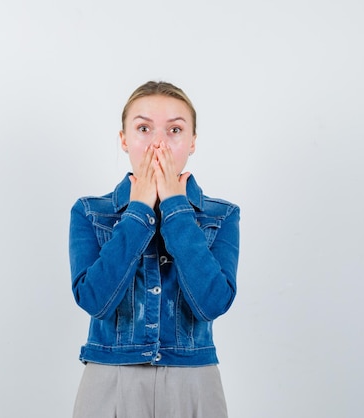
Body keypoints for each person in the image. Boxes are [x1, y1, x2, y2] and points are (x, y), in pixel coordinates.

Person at [68, 81, 240, 418]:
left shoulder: (222, 215)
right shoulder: (89, 211)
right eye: (144, 128)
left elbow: (212, 303)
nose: (158, 143)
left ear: (192, 142)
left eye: (175, 129)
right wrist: (139, 211)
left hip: (194, 381)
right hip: (110, 377)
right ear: (124, 139)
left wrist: (176, 207)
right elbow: (95, 301)